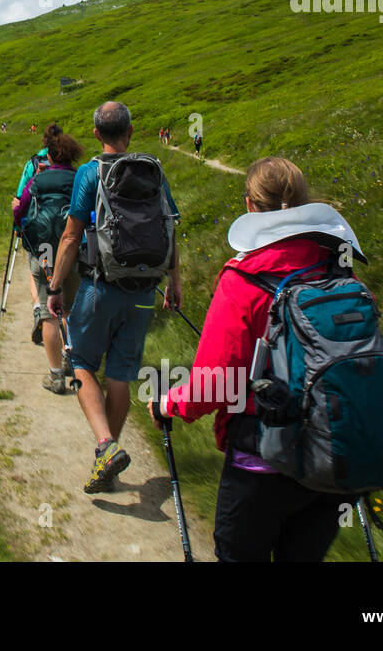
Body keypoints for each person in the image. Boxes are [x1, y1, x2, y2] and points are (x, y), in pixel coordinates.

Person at [148, 157, 359, 561]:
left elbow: (216, 383)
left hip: (263, 459)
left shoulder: (243, 279)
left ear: (249, 205)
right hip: (331, 456)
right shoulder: (338, 265)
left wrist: (167, 403)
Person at [48, 102, 182, 493]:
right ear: (132, 131)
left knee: (82, 363)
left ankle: (105, 446)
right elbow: (170, 227)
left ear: (95, 134)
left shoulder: (90, 173)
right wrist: (174, 281)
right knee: (121, 375)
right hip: (143, 291)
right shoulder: (154, 171)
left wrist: (56, 288)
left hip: (99, 287)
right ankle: (109, 454)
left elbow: (71, 237)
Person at [15, 132, 84, 393]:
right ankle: (71, 361)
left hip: (44, 249)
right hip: (72, 249)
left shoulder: (38, 179)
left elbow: (20, 208)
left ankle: (56, 376)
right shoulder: (80, 178)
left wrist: (18, 224)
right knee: (69, 309)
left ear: (51, 155)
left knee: (48, 312)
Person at [12, 125, 59, 342]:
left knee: (36, 271)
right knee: (59, 274)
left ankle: (40, 308)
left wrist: (17, 227)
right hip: (62, 233)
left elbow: (21, 196)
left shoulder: (32, 164)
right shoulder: (67, 163)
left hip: (36, 230)